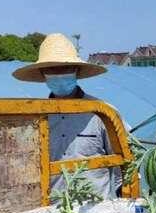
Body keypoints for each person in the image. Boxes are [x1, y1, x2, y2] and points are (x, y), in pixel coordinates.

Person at [13, 33, 122, 199]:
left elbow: (123, 166)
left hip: (96, 211)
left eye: (64, 68)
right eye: (52, 69)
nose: (58, 74)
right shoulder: (37, 119)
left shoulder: (103, 113)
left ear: (76, 71)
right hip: (53, 211)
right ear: (43, 74)